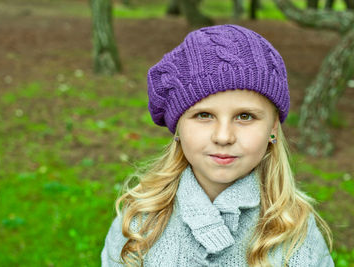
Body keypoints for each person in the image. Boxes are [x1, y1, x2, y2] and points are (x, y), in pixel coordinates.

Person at [101, 24, 333, 266]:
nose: (223, 137)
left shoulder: (295, 231)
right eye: (204, 115)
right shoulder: (137, 225)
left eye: (245, 116)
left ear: (273, 127)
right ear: (178, 126)